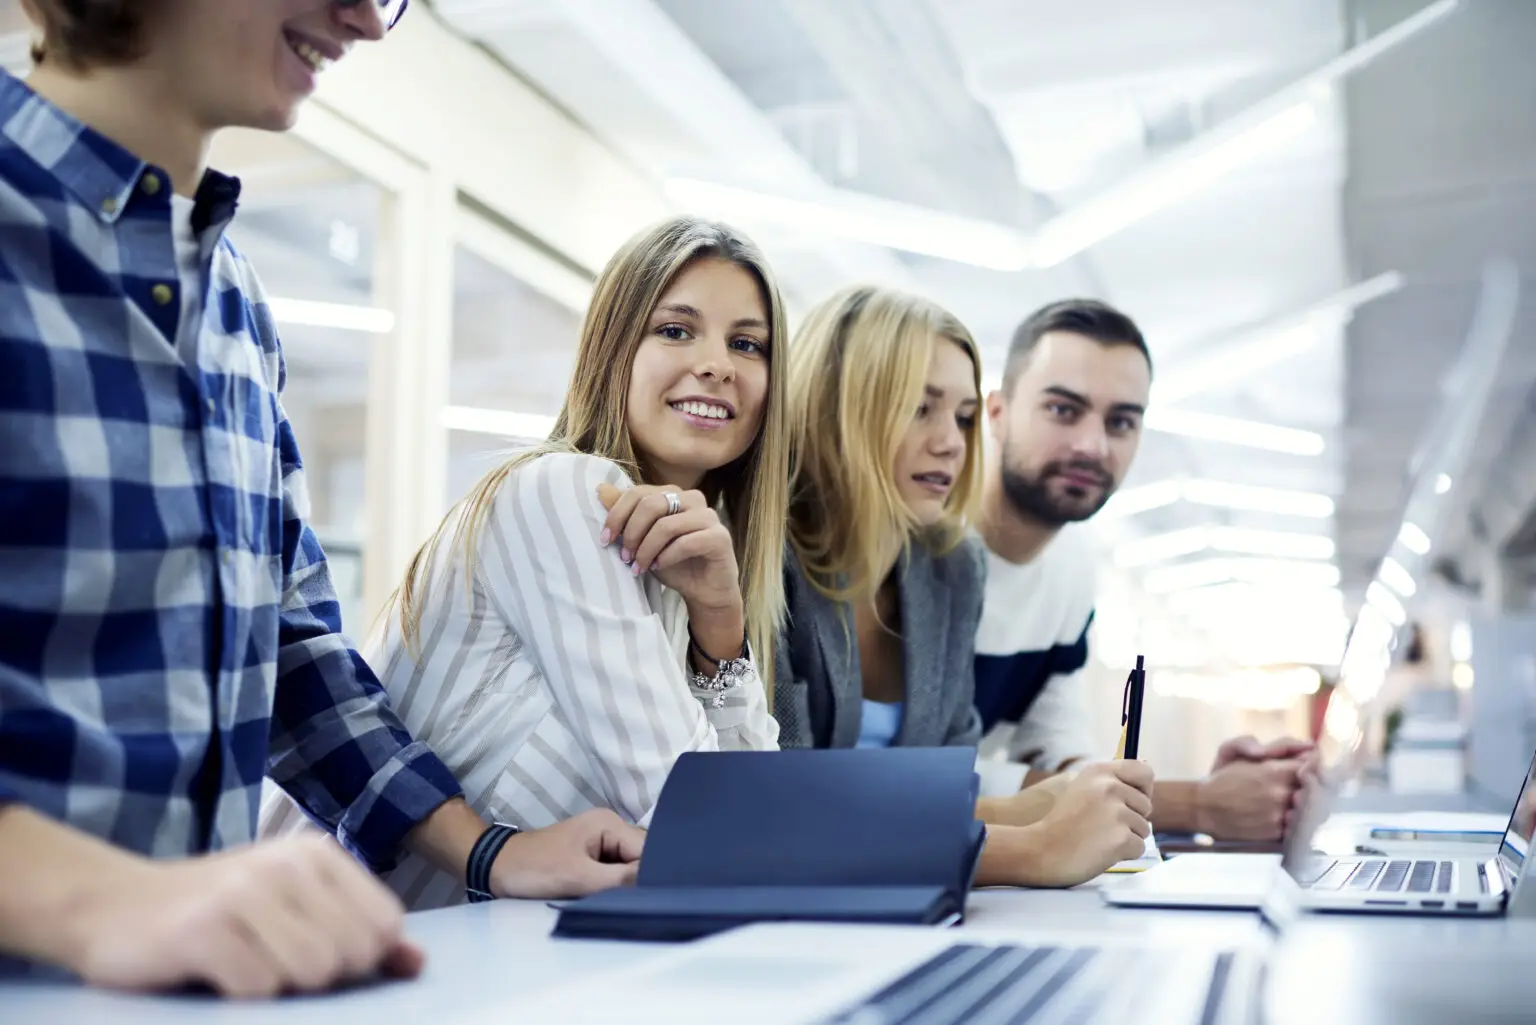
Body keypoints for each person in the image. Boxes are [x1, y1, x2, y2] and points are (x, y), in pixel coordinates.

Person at [0, 0, 641, 998]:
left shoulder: (232, 300)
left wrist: (487, 849)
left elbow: (294, 654)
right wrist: (92, 900)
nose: (369, 23)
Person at [262, 215, 789, 908]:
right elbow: (714, 828)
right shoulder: (567, 493)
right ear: (612, 350)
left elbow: (759, 822)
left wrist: (721, 620)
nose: (718, 362)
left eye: (746, 343)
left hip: (473, 969)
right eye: (675, 329)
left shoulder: (683, 568)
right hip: (318, 967)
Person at [768, 285, 1157, 886]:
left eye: (962, 416)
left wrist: (1042, 805)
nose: (951, 441)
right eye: (918, 408)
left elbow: (950, 779)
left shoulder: (950, 568)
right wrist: (1024, 833)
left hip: (912, 913)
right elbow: (778, 807)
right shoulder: (763, 562)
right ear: (838, 408)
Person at [973, 298, 1313, 842]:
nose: (1093, 445)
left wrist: (1194, 792)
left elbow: (1057, 752)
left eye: (1121, 421)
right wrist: (1195, 803)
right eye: (1063, 410)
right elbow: (909, 771)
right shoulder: (918, 555)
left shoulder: (1073, 571)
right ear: (996, 413)